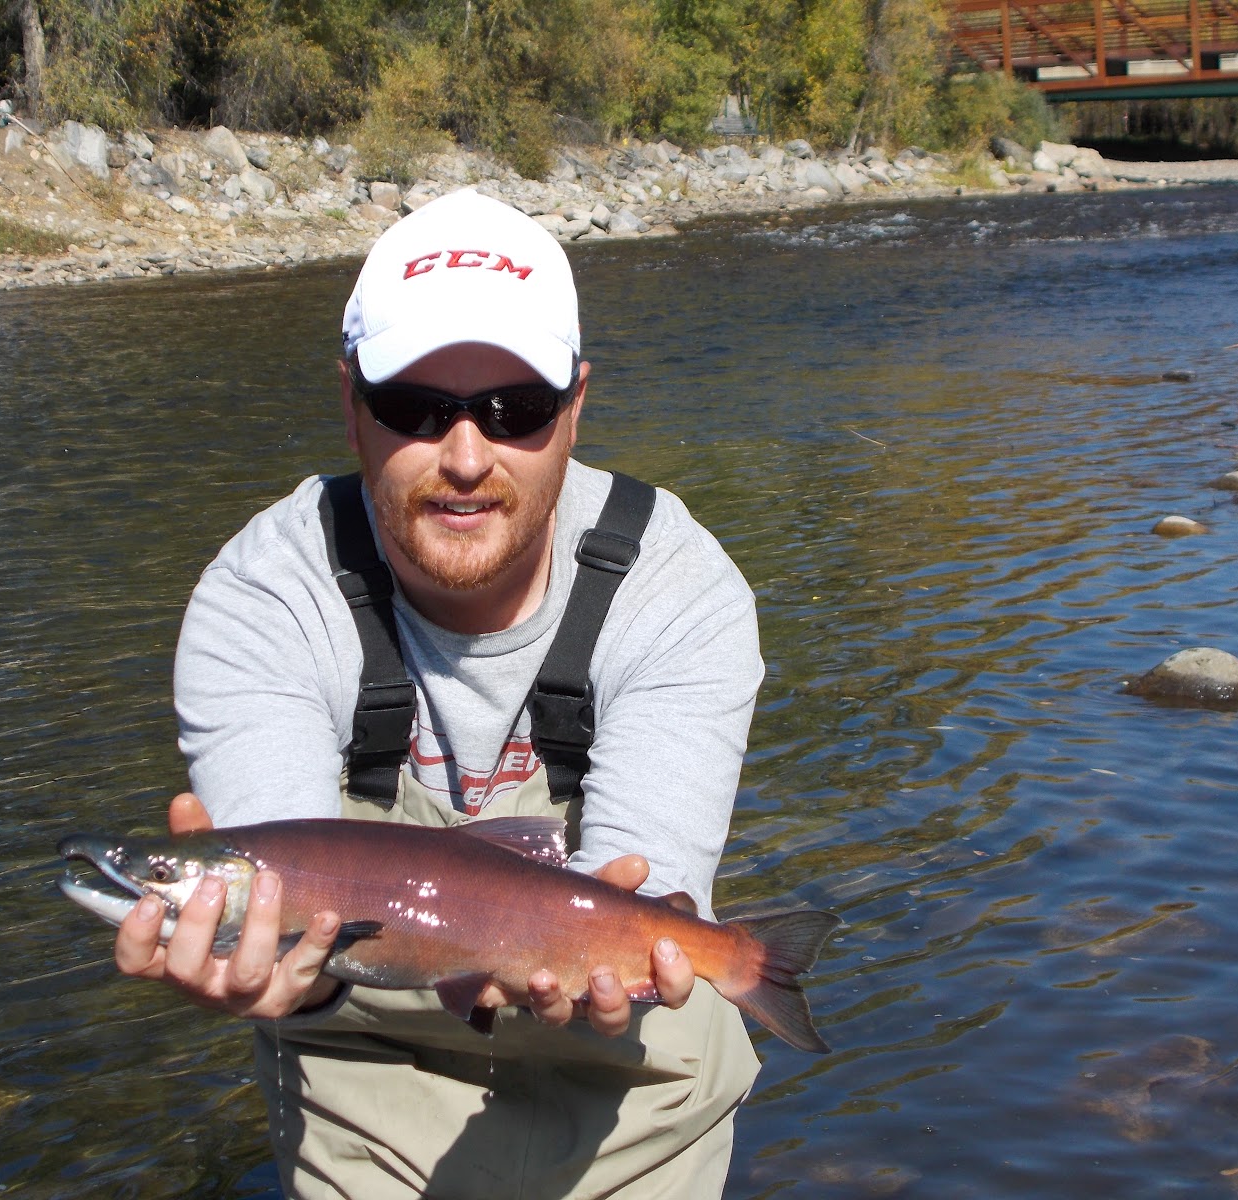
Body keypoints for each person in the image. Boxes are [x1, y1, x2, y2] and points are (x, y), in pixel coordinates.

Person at [114, 188, 766, 1198]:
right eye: (416, 408)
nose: (466, 458)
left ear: (576, 405)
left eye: (516, 411)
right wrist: (265, 965)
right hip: (368, 1095)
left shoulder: (674, 590)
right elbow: (283, 914)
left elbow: (644, 895)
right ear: (349, 403)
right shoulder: (265, 596)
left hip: (635, 1095)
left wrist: (636, 961)